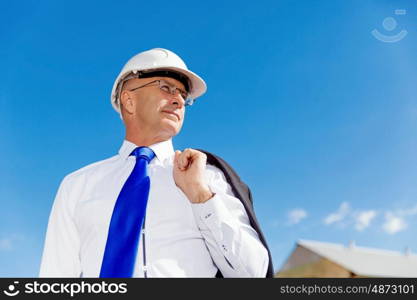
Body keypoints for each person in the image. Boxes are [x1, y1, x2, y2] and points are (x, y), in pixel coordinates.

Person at [39, 48, 272, 278]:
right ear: (129, 101)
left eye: (183, 95)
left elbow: (253, 275)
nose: (179, 100)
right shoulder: (77, 185)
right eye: (166, 88)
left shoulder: (208, 177)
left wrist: (201, 197)